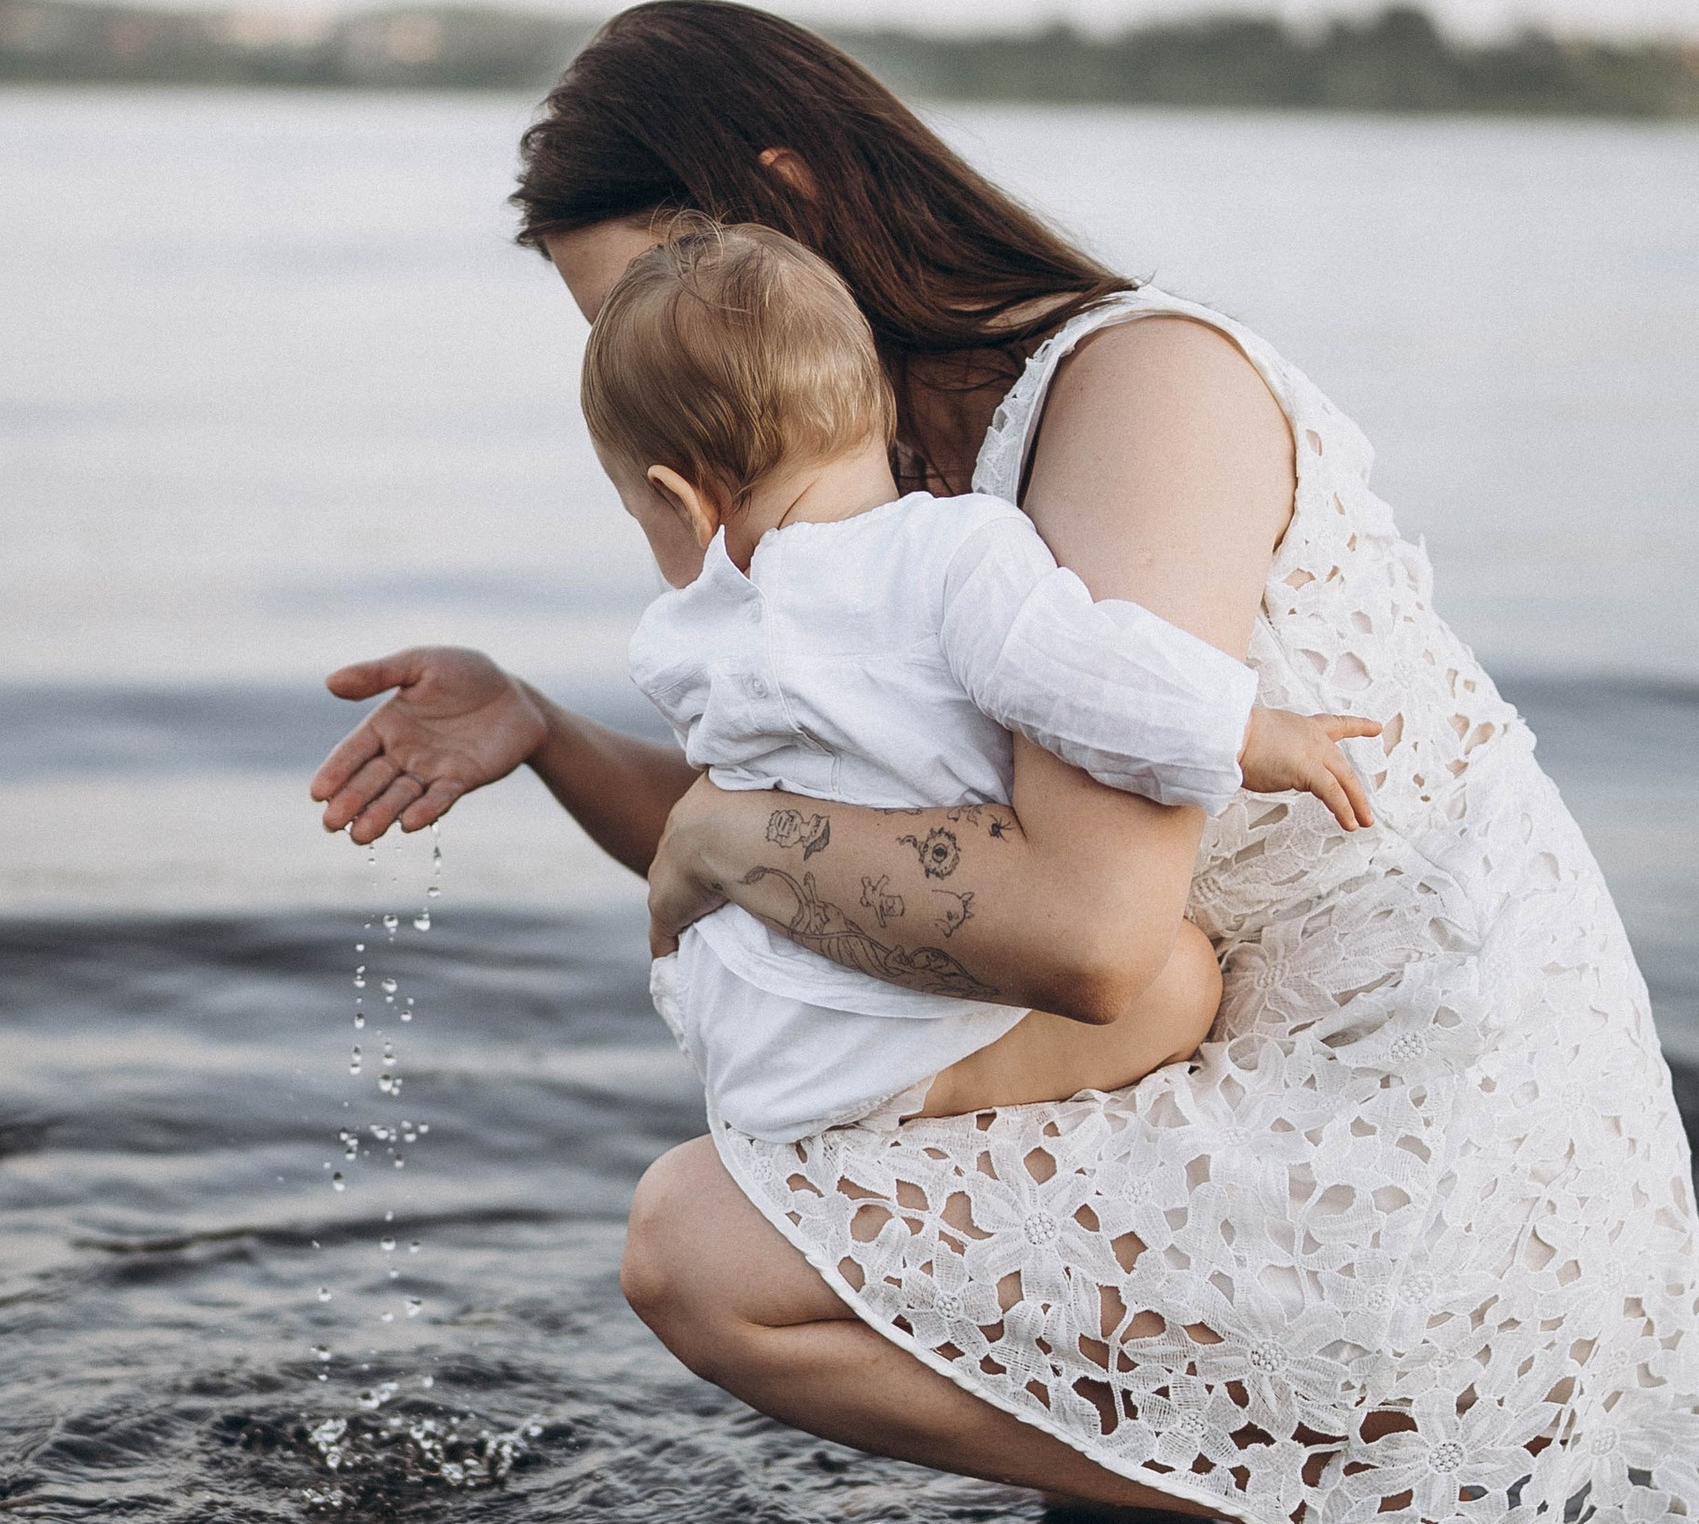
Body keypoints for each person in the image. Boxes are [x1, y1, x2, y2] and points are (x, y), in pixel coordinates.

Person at [310, 0, 1699, 1524]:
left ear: (789, 200)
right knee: (847, 1057)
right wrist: (548, 735)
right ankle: (1209, 1470)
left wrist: (720, 836)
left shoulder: (1140, 391)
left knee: (701, 1243)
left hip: (1425, 1106)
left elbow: (1078, 934)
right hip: (1219, 1039)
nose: (660, 363)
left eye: (653, 288)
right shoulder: (879, 498)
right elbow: (816, 861)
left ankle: (1360, 1497)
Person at [583, 212, 1383, 1136]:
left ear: (685, 501)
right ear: (876, 399)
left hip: (755, 1031)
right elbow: (1079, 674)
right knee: (1183, 979)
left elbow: (732, 790)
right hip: (887, 1036)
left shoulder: (685, 638)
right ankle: (954, 1098)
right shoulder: (952, 550)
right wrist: (1241, 731)